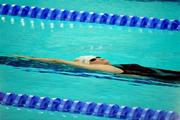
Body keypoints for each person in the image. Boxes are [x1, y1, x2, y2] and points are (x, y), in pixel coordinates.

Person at [15, 55, 180, 81]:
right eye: (94, 59)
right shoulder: (102, 70)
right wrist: (27, 58)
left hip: (159, 73)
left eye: (98, 55)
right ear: (87, 64)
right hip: (161, 78)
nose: (100, 58)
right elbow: (56, 60)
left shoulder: (117, 65)